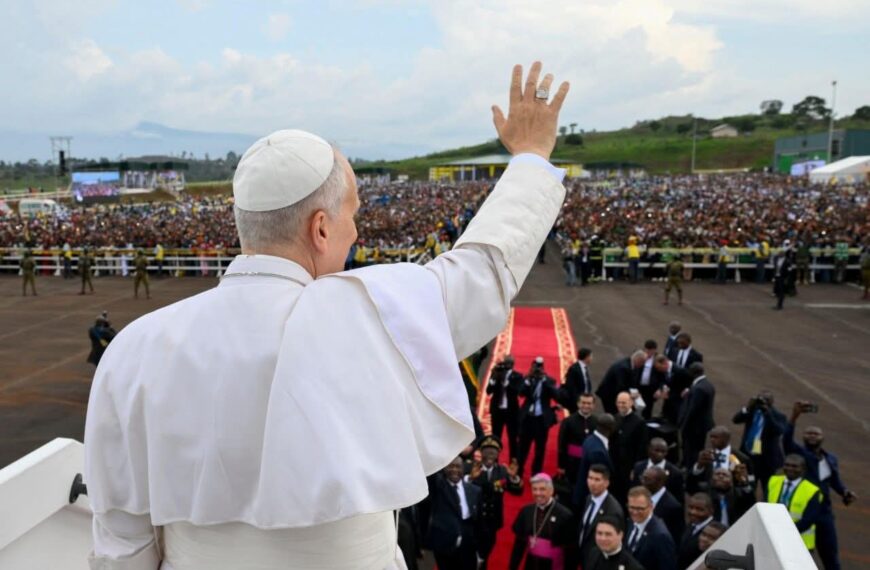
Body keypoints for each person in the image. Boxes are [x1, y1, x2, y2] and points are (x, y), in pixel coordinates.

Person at [84, 61, 573, 569]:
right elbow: (485, 268)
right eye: (353, 215)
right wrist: (532, 157)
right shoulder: (371, 315)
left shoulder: (134, 349)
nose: (356, 233)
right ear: (320, 227)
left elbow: (123, 542)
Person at [784, 402, 857, 570]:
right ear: (803, 437)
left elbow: (833, 481)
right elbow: (787, 441)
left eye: (816, 433)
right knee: (797, 556)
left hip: (824, 513)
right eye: (808, 433)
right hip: (805, 512)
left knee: (830, 556)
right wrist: (794, 416)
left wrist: (844, 491)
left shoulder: (830, 458)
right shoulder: (800, 454)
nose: (812, 436)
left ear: (822, 437)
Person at [469, 436, 523, 569]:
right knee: (472, 548)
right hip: (475, 518)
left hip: (492, 519)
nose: (489, 455)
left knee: (488, 547)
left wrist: (514, 477)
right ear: (481, 453)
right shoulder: (472, 468)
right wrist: (470, 478)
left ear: (498, 454)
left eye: (493, 452)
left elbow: (517, 491)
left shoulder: (503, 471)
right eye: (486, 451)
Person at [509, 473, 576, 570]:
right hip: (531, 564)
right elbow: (519, 546)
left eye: (542, 489)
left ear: (551, 491)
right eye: (534, 489)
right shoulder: (526, 511)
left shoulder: (565, 515)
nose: (538, 493)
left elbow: (570, 553)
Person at [425, 456, 482, 570]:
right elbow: (432, 476)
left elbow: (478, 522)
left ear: (463, 469)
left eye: (458, 467)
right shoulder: (439, 486)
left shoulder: (475, 490)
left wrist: (480, 549)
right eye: (450, 466)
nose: (454, 470)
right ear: (444, 469)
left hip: (467, 546)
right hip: (444, 546)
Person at [766, 454, 823, 557]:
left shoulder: (812, 491)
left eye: (794, 466)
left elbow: (808, 520)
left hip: (800, 543)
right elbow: (765, 507)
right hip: (772, 539)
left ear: (803, 469)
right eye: (787, 465)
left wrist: (785, 533)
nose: (790, 468)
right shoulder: (773, 481)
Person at [732, 390, 786, 491]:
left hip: (767, 460)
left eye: (766, 400)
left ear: (771, 402)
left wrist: (768, 413)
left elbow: (778, 430)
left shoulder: (778, 415)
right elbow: (735, 420)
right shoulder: (752, 411)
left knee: (767, 487)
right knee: (746, 485)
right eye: (761, 399)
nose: (762, 403)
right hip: (749, 456)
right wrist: (748, 407)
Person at [517, 356, 560, 477]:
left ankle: (536, 473)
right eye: (535, 367)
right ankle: (519, 472)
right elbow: (520, 393)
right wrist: (528, 379)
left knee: (540, 449)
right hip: (527, 418)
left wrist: (544, 380)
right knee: (523, 447)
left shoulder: (549, 381)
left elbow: (557, 396)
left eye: (539, 368)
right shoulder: (527, 379)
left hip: (541, 420)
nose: (537, 370)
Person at [578, 464, 624, 567]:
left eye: (597, 479)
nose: (592, 483)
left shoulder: (613, 509)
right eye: (590, 478)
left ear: (606, 483)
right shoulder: (589, 498)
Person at [686, 425, 752, 494]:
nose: (712, 440)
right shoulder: (705, 455)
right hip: (708, 495)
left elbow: (750, 483)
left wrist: (744, 481)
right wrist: (699, 466)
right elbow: (691, 482)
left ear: (726, 439)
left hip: (732, 497)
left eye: (715, 437)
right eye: (711, 437)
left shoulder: (741, 458)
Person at [624, 486, 677, 570]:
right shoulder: (630, 522)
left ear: (651, 506)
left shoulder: (660, 536)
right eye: (631, 507)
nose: (634, 512)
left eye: (640, 508)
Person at [610, 392, 648, 505]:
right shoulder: (615, 418)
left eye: (624, 403)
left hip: (630, 467)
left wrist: (636, 468)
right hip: (615, 466)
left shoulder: (639, 422)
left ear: (631, 403)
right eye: (619, 402)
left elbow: (642, 447)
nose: (621, 405)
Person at [573, 414, 616, 509]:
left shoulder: (590, 439)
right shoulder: (598, 452)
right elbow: (597, 479)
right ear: (611, 428)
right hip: (590, 497)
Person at [557, 393, 596, 493]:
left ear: (593, 405)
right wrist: (561, 465)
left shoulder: (597, 422)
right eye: (583, 403)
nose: (586, 406)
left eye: (589, 403)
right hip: (572, 464)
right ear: (578, 404)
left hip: (590, 464)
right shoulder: (568, 421)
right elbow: (562, 443)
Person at [679, 363, 715, 468]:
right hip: (702, 426)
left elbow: (692, 410)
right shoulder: (707, 385)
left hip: (694, 427)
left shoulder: (698, 388)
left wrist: (683, 426)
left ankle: (690, 467)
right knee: (698, 447)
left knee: (691, 450)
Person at [487, 355, 523, 460]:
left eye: (509, 363)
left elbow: (518, 391)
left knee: (513, 437)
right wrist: (493, 377)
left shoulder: (517, 376)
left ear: (512, 364)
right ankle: (494, 460)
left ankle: (513, 460)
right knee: (495, 437)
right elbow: (489, 391)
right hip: (497, 411)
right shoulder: (497, 374)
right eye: (505, 362)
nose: (507, 365)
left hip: (511, 412)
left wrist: (506, 382)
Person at [630, 438, 684, 503]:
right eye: (657, 450)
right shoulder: (639, 467)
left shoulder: (675, 472)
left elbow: (678, 497)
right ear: (649, 449)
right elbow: (634, 488)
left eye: (663, 451)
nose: (660, 454)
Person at [641, 466, 684, 544]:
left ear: (660, 482)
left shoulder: (673, 507)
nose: (643, 482)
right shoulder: (642, 496)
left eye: (647, 480)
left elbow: (675, 537)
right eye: (643, 478)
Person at [677, 493, 715, 569]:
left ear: (711, 510)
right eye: (691, 507)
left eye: (699, 509)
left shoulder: (714, 532)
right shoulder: (691, 525)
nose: (693, 512)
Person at [561, 347, 593, 413]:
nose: (591, 358)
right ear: (586, 357)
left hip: (585, 400)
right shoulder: (574, 369)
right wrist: (577, 400)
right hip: (577, 403)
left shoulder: (584, 368)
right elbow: (570, 386)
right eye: (591, 356)